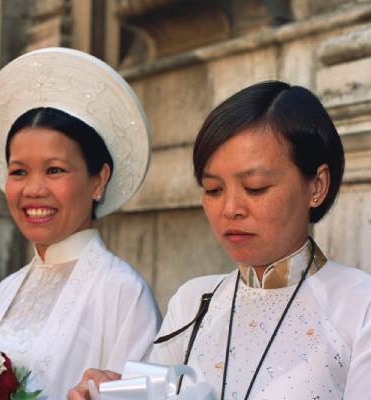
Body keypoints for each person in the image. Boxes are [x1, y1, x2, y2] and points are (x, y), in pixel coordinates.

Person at [68, 81, 371, 399]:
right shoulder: (194, 303)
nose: (230, 209)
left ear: (317, 186)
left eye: (255, 187)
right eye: (213, 189)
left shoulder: (358, 307)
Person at [0, 47, 161, 398]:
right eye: (19, 172)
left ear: (98, 180)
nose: (33, 189)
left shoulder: (122, 290)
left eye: (55, 170)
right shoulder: (8, 288)